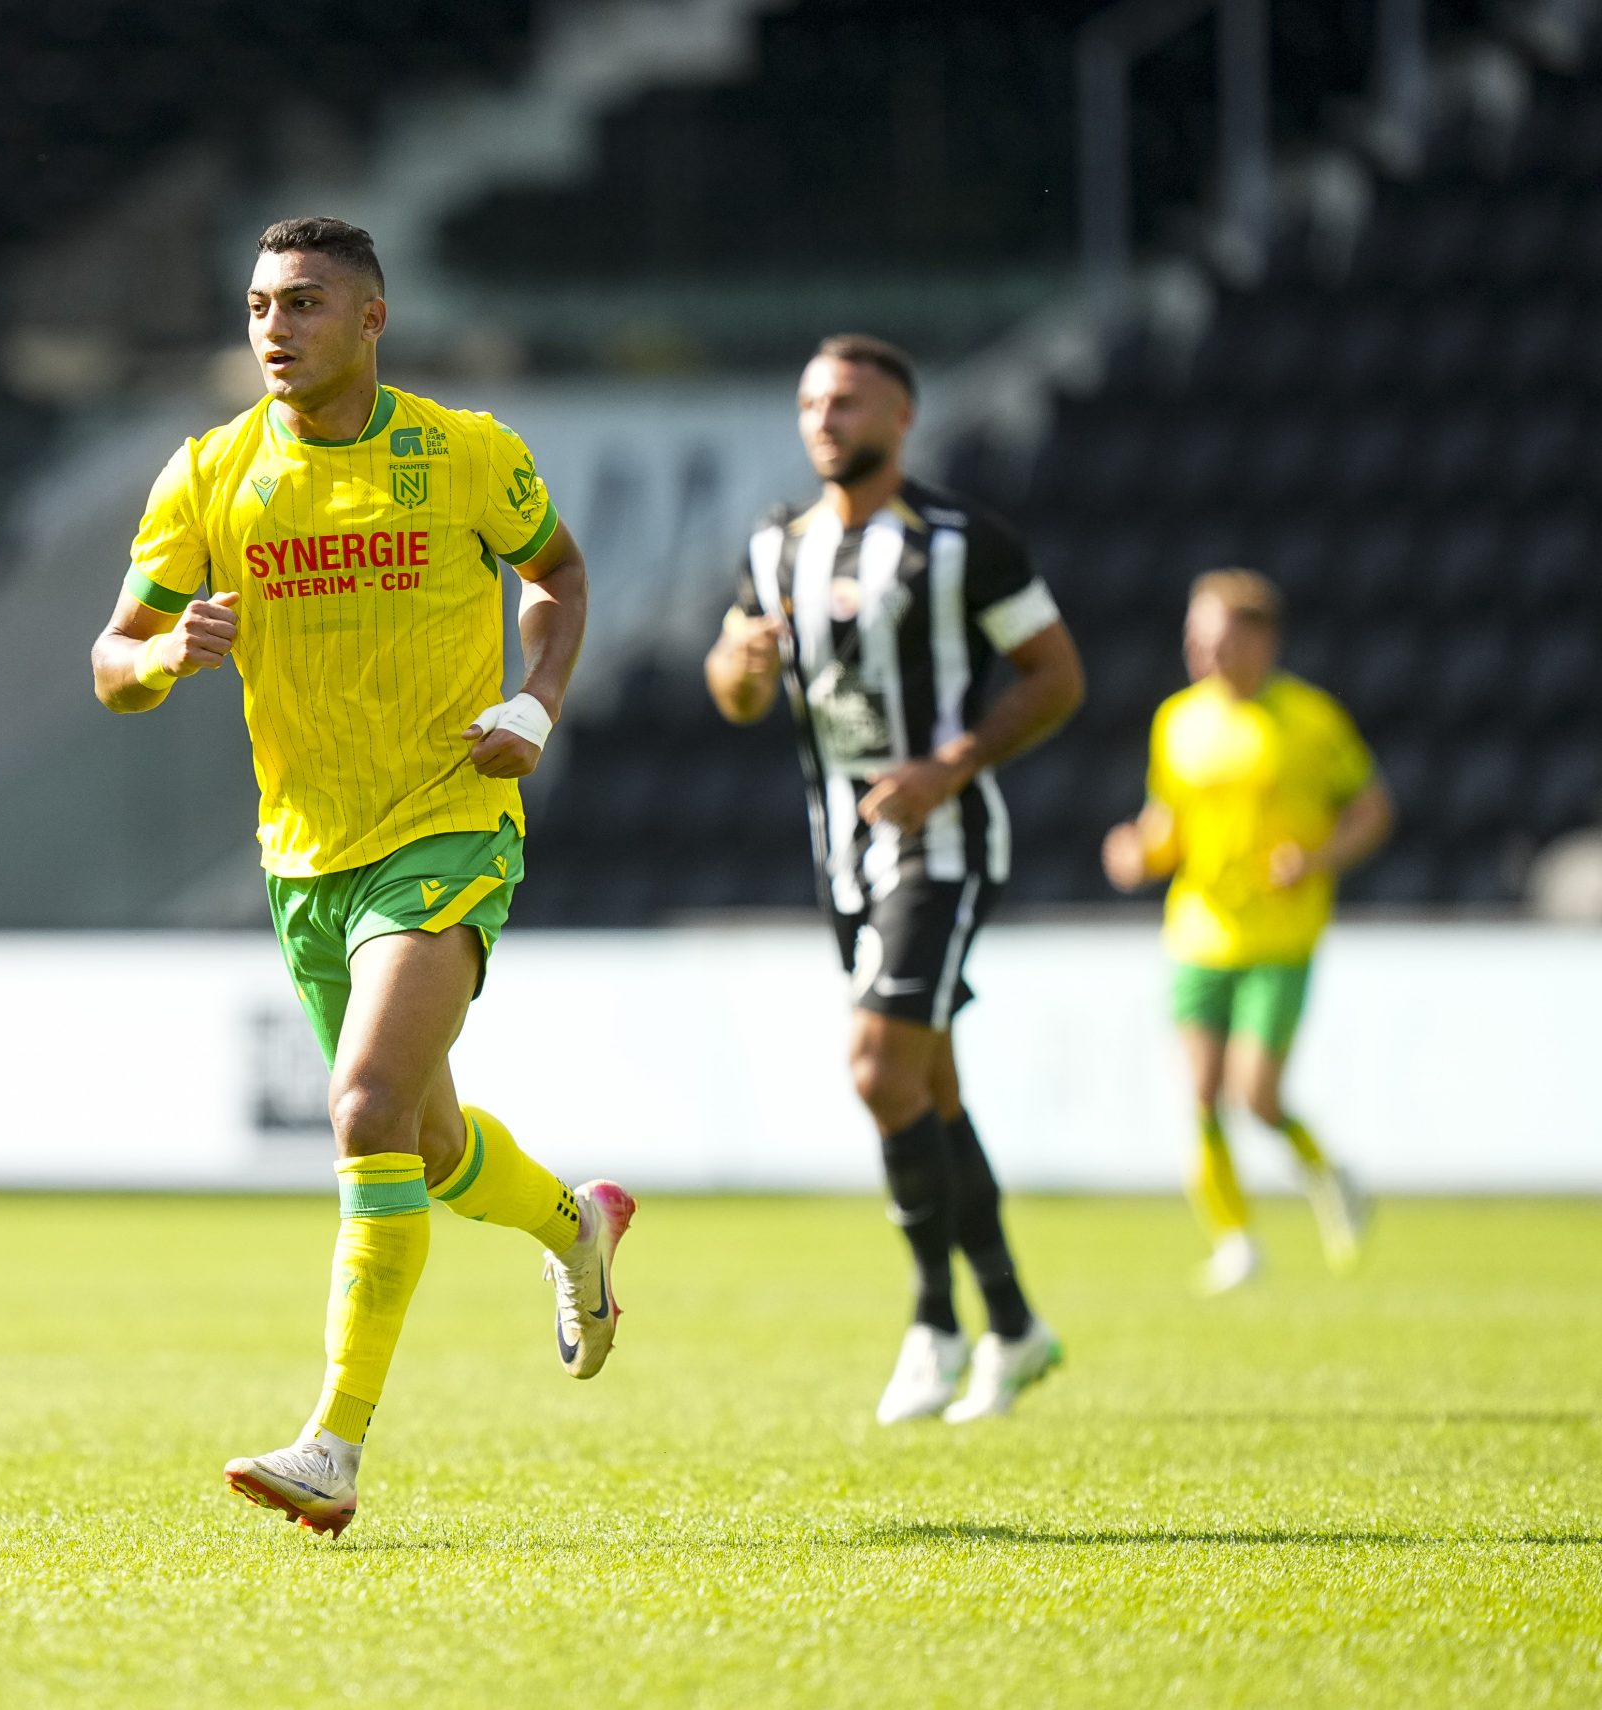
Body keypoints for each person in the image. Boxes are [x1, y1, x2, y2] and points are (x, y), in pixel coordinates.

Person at [91, 216, 633, 1536]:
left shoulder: (463, 453)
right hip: (304, 855)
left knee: (364, 1105)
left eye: (305, 304)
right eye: (259, 305)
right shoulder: (209, 473)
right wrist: (164, 656)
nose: (274, 328)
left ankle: (332, 1445)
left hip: (448, 818)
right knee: (426, 1144)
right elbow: (111, 661)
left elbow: (558, 571)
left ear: (373, 319)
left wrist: (536, 701)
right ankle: (575, 1226)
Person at [705, 335, 1085, 1425]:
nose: (825, 421)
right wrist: (738, 671)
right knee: (929, 1088)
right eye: (811, 403)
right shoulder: (775, 546)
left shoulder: (962, 544)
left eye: (849, 403)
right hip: (843, 852)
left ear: (902, 417)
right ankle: (1014, 1324)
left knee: (877, 1071)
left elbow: (1056, 676)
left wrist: (950, 765)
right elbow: (734, 686)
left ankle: (933, 1324)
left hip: (943, 841)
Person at [1103, 570, 1392, 1293]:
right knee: (1202, 1094)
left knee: (1257, 1094)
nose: (1204, 653)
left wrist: (1318, 859)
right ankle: (1234, 1240)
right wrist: (1140, 852)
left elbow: (1371, 811)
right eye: (1195, 639)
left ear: (1264, 640)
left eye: (1221, 639)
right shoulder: (1178, 720)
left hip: (1280, 936)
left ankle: (1331, 1177)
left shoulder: (1310, 720)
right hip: (1199, 931)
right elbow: (1167, 824)